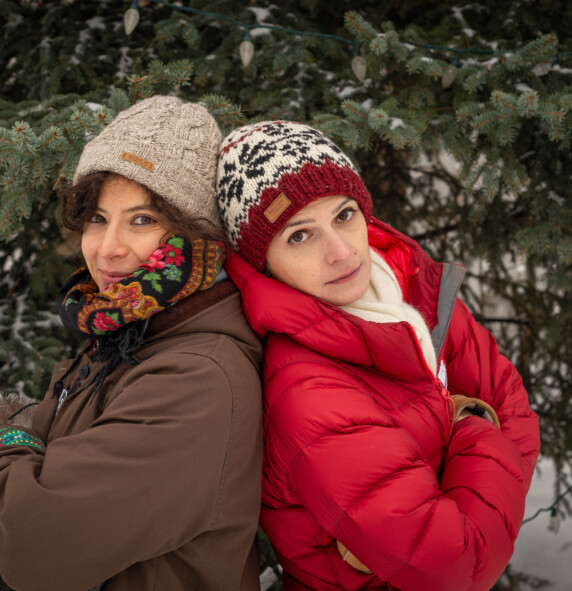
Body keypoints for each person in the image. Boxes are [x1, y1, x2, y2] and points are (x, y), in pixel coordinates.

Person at [0, 96, 264, 591]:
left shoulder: (197, 378)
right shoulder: (126, 333)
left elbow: (32, 542)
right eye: (97, 218)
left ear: (197, 236)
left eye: (141, 220)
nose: (107, 248)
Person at [215, 120, 540, 591]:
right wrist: (473, 423)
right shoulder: (306, 392)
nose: (341, 251)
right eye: (299, 236)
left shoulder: (411, 289)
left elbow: (518, 409)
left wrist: (462, 470)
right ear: (264, 263)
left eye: (344, 216)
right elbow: (458, 564)